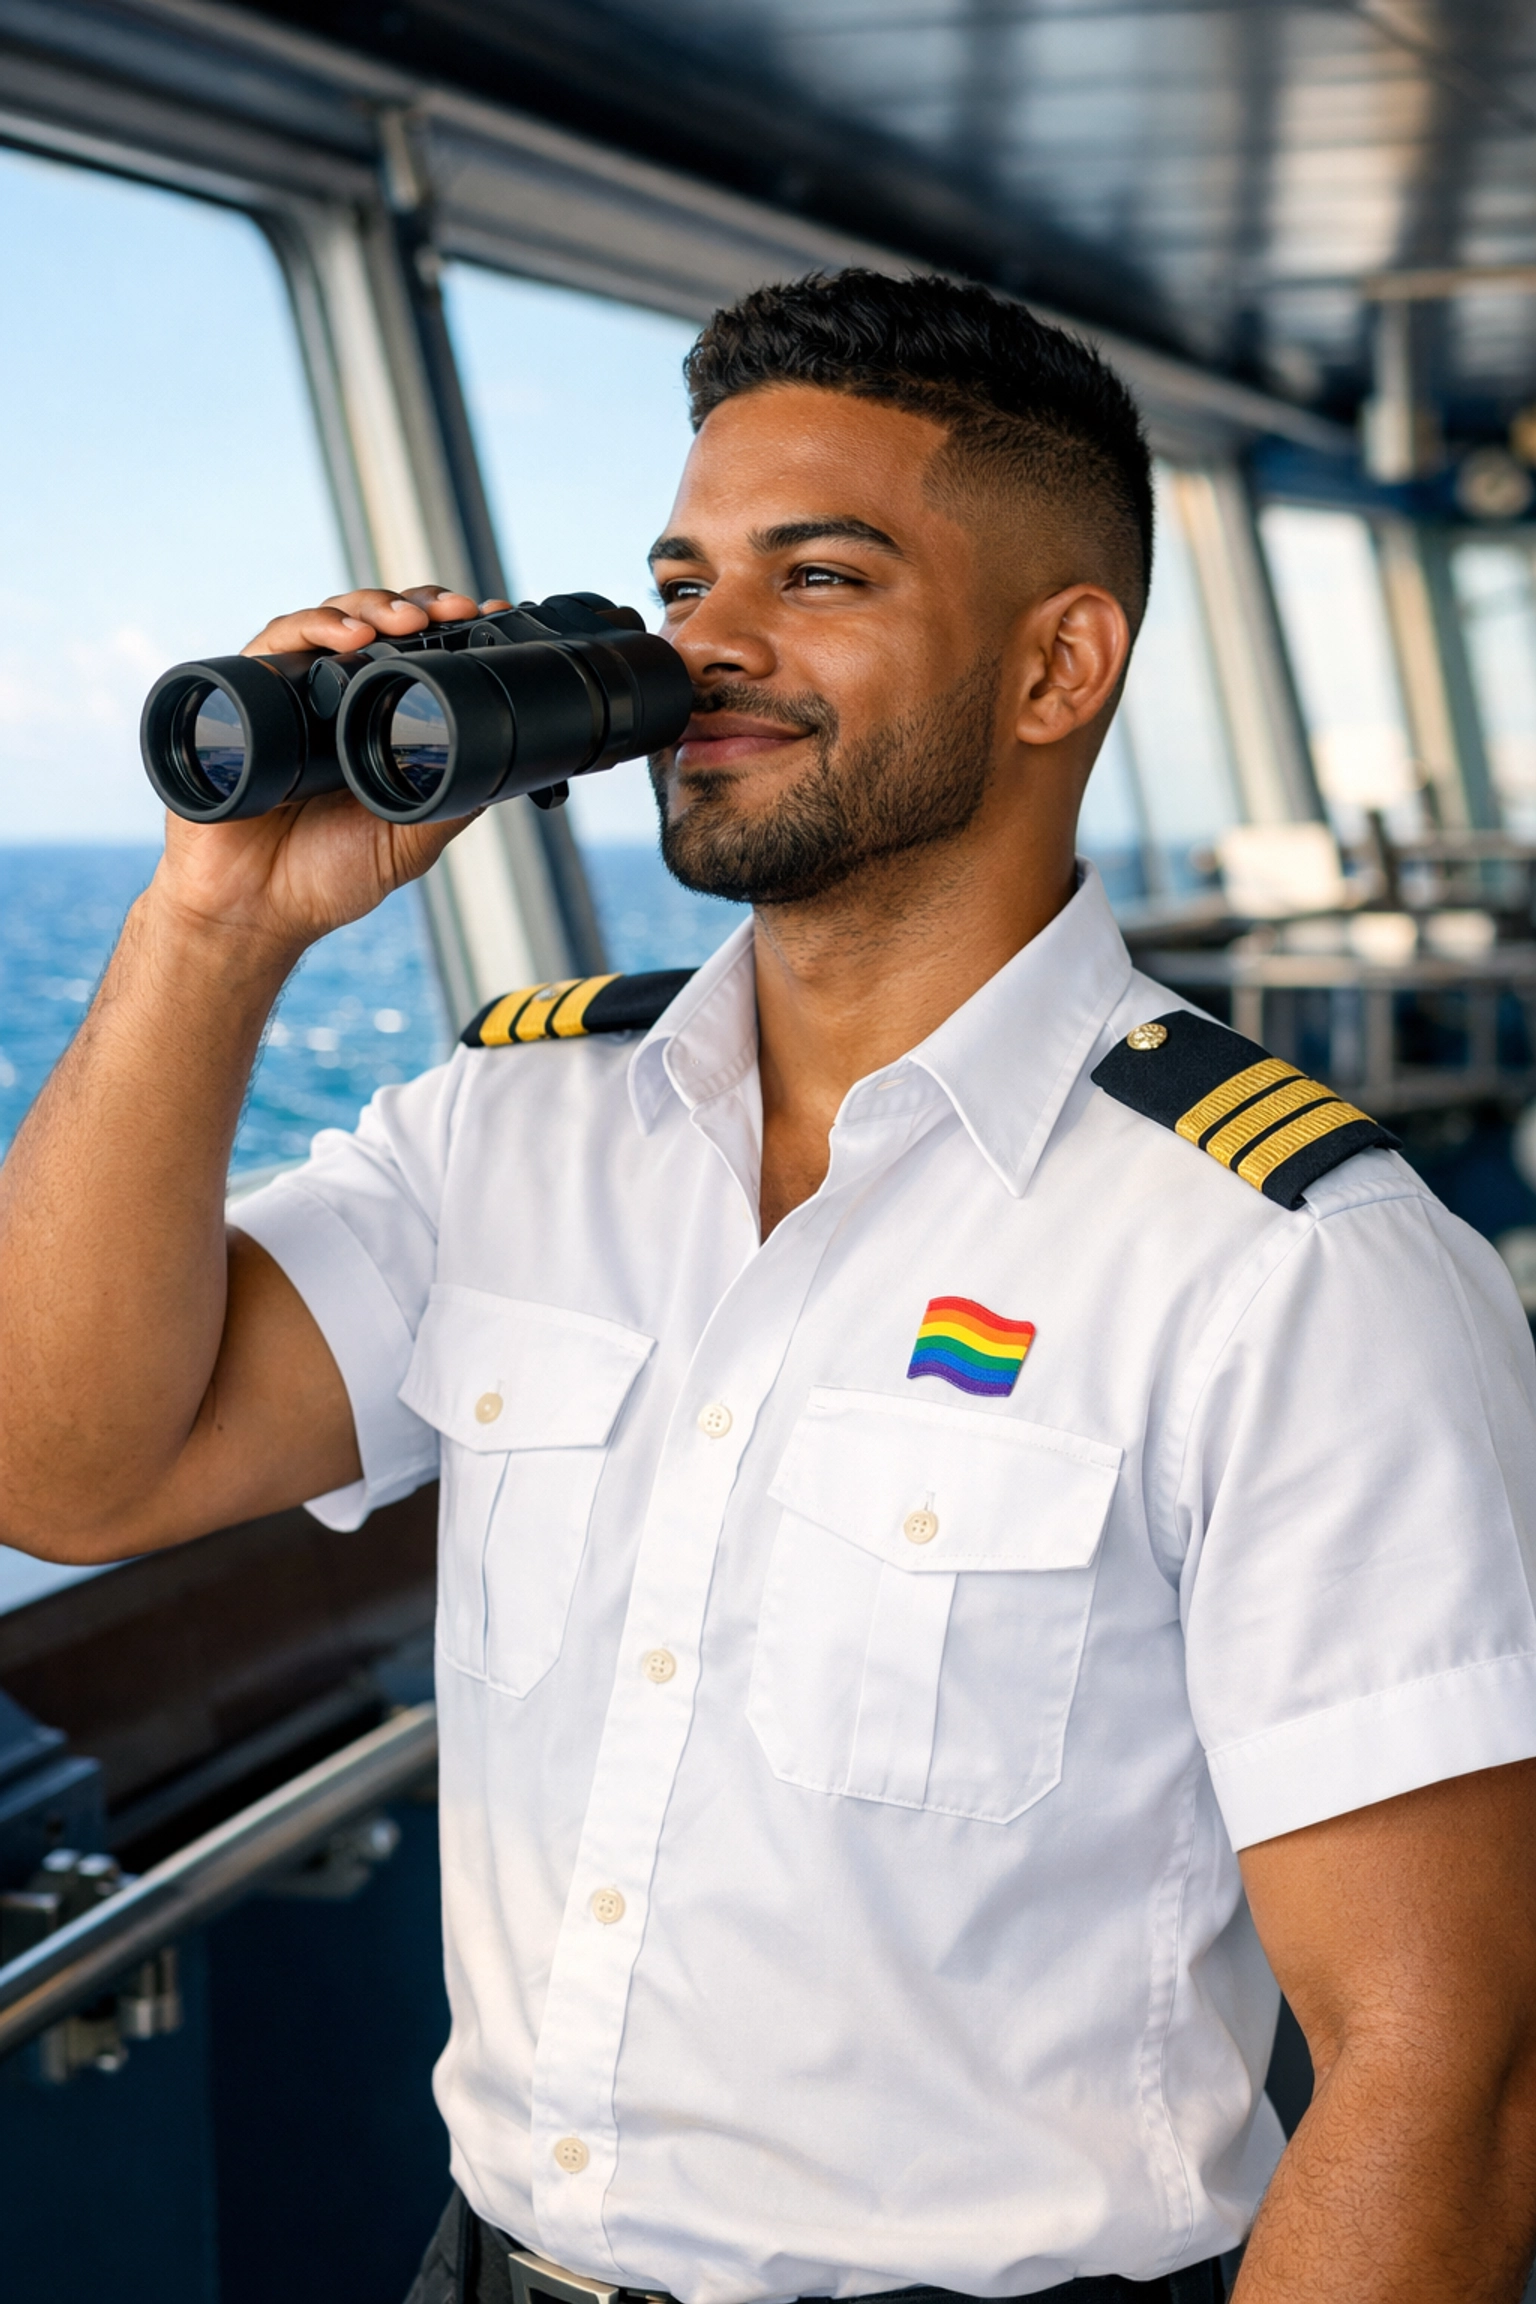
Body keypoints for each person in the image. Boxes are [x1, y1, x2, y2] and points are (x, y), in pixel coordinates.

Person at [3, 270, 1536, 2304]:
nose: (705, 645)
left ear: (1058, 665)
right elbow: (67, 1472)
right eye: (679, 576)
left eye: (819, 577)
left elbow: (1445, 2091)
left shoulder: (1292, 1269)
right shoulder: (510, 1133)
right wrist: (216, 928)